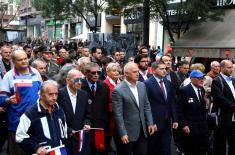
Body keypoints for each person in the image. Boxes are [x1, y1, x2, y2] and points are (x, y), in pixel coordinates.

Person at [0, 49, 42, 155]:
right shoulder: (8, 76)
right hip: (17, 123)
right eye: (20, 60)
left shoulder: (35, 72)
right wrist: (8, 100)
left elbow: (41, 92)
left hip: (35, 121)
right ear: (13, 62)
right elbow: (2, 98)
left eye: (25, 58)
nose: (24, 61)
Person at [112, 62, 156, 155]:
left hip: (142, 131)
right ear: (126, 74)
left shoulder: (141, 85)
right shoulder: (118, 90)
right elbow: (118, 115)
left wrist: (150, 123)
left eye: (138, 71)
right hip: (128, 132)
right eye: (134, 72)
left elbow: (146, 106)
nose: (137, 74)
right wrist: (123, 133)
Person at [15, 80, 67, 155]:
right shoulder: (30, 113)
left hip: (59, 152)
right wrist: (36, 147)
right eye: (50, 94)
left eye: (56, 94)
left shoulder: (59, 110)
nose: (54, 97)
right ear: (41, 94)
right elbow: (20, 137)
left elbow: (64, 131)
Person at [144, 61, 178, 155]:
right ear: (154, 70)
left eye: (165, 69)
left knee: (166, 149)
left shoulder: (167, 83)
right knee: (153, 149)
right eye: (161, 69)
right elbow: (146, 105)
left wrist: (175, 119)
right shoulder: (147, 84)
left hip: (167, 123)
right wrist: (150, 122)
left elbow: (171, 102)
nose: (165, 71)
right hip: (154, 123)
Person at [57, 69, 91, 155]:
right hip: (65, 138)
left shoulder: (83, 94)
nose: (79, 82)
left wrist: (87, 123)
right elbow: (56, 117)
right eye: (76, 80)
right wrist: (68, 130)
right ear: (67, 80)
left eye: (81, 80)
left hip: (80, 139)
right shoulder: (59, 95)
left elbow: (87, 114)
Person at [177, 70, 209, 155]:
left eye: (203, 78)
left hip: (202, 123)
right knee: (191, 148)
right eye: (199, 78)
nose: (202, 80)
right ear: (192, 79)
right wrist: (184, 125)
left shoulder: (202, 89)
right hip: (190, 124)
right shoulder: (184, 90)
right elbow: (179, 110)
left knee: (202, 147)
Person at [81, 62, 110, 155]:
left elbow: (105, 107)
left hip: (100, 126)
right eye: (93, 73)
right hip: (86, 127)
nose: (96, 75)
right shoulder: (80, 87)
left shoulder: (104, 86)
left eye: (98, 72)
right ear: (85, 73)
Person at [211, 60, 235, 155]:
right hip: (222, 116)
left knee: (233, 142)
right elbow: (219, 98)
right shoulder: (217, 80)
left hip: (233, 117)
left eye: (232, 67)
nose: (231, 69)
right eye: (229, 67)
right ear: (222, 68)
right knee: (220, 142)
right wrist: (233, 107)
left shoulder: (233, 80)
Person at [103, 63, 121, 152]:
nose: (117, 72)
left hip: (120, 118)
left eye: (118, 70)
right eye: (114, 71)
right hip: (110, 118)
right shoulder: (104, 84)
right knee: (107, 142)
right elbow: (103, 104)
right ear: (107, 72)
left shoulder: (120, 82)